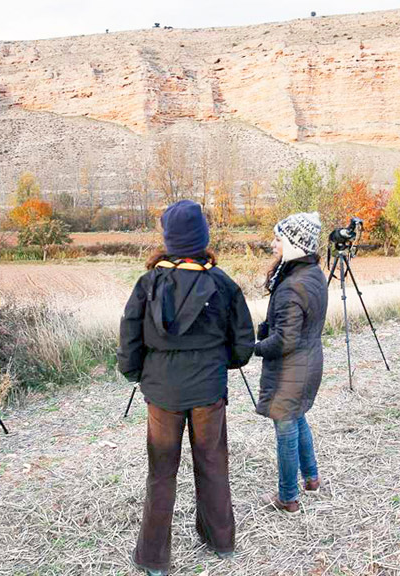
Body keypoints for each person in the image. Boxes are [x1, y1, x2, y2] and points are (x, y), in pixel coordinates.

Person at [117, 200, 255, 575]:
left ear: (169, 240)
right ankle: (220, 541)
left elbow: (129, 338)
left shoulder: (147, 284)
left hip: (162, 394)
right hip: (208, 392)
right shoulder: (223, 284)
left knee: (161, 471)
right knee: (212, 463)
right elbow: (244, 345)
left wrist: (134, 372)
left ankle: (153, 558)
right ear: (202, 238)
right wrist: (220, 362)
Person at [255, 212, 328, 513]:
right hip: (309, 362)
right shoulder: (312, 274)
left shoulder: (292, 285)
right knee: (298, 418)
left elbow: (284, 341)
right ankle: (311, 478)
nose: (273, 244)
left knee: (286, 427)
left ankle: (287, 497)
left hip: (290, 371)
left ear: (295, 243)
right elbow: (292, 326)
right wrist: (267, 326)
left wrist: (253, 347)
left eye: (278, 239)